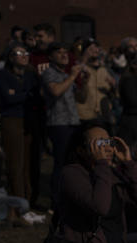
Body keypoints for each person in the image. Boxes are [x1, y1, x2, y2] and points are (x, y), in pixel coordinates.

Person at [0, 44, 38, 207]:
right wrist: (25, 94)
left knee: (27, 163)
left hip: (28, 120)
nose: (24, 55)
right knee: (15, 163)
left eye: (25, 52)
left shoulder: (29, 75)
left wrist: (18, 94)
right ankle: (18, 203)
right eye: (19, 53)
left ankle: (27, 200)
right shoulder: (4, 75)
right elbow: (8, 98)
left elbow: (32, 95)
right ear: (11, 57)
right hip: (11, 120)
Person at [41, 42, 83, 202]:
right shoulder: (50, 73)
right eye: (59, 52)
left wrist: (83, 84)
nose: (64, 55)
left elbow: (80, 98)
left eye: (66, 52)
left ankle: (69, 195)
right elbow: (56, 91)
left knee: (72, 162)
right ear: (51, 56)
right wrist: (73, 76)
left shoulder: (66, 75)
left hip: (73, 121)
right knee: (61, 162)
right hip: (59, 123)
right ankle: (57, 200)